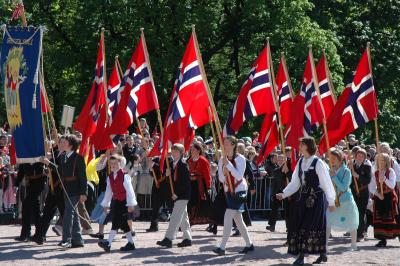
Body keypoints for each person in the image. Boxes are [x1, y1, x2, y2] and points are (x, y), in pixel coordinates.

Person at [276, 137, 336, 265]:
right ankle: (322, 253)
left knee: (309, 226)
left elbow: (326, 183)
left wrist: (331, 201)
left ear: (308, 146)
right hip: (303, 198)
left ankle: (301, 256)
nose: (299, 146)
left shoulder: (318, 163)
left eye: (302, 144)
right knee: (302, 225)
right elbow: (295, 182)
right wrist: (284, 193)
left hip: (317, 198)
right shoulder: (300, 162)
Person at [44, 134, 87, 248]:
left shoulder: (78, 158)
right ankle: (77, 240)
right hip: (65, 188)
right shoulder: (62, 157)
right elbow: (59, 170)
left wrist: (83, 193)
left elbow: (83, 177)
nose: (61, 144)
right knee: (74, 214)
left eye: (64, 142)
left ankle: (66, 239)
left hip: (76, 190)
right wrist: (49, 163)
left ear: (71, 145)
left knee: (68, 214)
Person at [213, 136, 254, 256]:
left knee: (228, 215)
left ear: (233, 145)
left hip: (239, 190)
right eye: (223, 143)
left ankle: (222, 247)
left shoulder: (241, 159)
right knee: (238, 220)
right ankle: (249, 244)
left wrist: (229, 166)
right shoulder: (221, 159)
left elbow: (239, 176)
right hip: (228, 190)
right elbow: (221, 178)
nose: (224, 146)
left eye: (226, 143)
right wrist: (224, 173)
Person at [98, 154, 137, 252]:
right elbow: (108, 192)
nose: (113, 165)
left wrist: (131, 204)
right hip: (115, 202)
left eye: (115, 163)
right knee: (123, 224)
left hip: (124, 202)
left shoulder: (125, 176)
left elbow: (130, 191)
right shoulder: (110, 177)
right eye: (111, 164)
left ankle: (108, 243)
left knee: (116, 221)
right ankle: (131, 243)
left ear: (121, 164)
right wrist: (106, 205)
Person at [157, 143, 192, 248]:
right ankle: (187, 238)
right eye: (172, 151)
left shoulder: (183, 165)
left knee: (175, 217)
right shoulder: (172, 164)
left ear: (181, 153)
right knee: (183, 219)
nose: (173, 153)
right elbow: (171, 181)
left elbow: (185, 184)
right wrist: (167, 175)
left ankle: (169, 238)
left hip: (182, 195)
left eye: (176, 151)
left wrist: (176, 194)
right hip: (177, 195)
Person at [34, 136, 66, 245]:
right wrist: (48, 170)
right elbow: (53, 170)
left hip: (62, 188)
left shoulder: (67, 155)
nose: (61, 144)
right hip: (53, 188)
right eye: (60, 142)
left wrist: (49, 163)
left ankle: (68, 238)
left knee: (64, 214)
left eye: (63, 142)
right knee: (47, 212)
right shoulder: (55, 152)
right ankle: (40, 236)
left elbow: (60, 170)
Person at [326, 148, 359, 251]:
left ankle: (353, 244)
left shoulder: (347, 171)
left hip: (346, 201)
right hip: (333, 201)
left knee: (351, 222)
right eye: (330, 158)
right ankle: (325, 245)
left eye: (334, 158)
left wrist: (334, 177)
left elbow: (344, 187)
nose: (331, 160)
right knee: (327, 221)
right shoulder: (329, 170)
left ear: (340, 159)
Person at [370, 153, 400, 247]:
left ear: (386, 161)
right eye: (379, 160)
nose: (381, 162)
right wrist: (378, 194)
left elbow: (392, 185)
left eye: (382, 160)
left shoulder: (390, 171)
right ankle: (382, 239)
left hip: (389, 198)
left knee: (394, 218)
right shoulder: (375, 173)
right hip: (380, 197)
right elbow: (371, 187)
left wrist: (384, 179)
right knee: (380, 219)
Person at [14, 162, 46, 242]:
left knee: (26, 205)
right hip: (30, 182)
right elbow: (21, 170)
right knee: (36, 209)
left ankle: (25, 234)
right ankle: (39, 235)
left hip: (39, 181)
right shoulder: (24, 153)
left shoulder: (39, 151)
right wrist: (16, 184)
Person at [187, 142, 212, 226]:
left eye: (193, 150)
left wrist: (208, 187)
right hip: (192, 184)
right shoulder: (189, 160)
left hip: (201, 185)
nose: (191, 151)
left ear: (198, 150)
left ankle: (212, 223)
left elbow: (207, 174)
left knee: (204, 203)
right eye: (191, 150)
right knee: (191, 202)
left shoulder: (203, 160)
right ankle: (190, 221)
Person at [268, 152, 292, 233]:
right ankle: (272, 225)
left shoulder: (288, 169)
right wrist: (273, 194)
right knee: (274, 209)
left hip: (286, 191)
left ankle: (288, 227)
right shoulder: (276, 170)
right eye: (279, 159)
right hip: (277, 191)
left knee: (287, 210)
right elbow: (274, 183)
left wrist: (287, 172)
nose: (280, 161)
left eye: (282, 159)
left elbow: (290, 179)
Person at [146, 156, 172, 232]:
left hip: (167, 186)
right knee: (155, 207)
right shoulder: (155, 159)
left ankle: (179, 225)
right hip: (157, 186)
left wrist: (155, 165)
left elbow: (165, 171)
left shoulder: (169, 159)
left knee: (172, 206)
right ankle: (154, 225)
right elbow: (152, 174)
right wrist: (151, 168)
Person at [350, 148, 371, 241]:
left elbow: (368, 180)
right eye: (358, 156)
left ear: (364, 158)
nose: (360, 158)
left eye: (362, 156)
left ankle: (361, 234)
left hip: (363, 192)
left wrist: (358, 176)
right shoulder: (351, 166)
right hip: (353, 192)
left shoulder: (367, 167)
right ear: (355, 156)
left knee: (361, 213)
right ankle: (354, 232)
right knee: (354, 213)